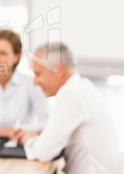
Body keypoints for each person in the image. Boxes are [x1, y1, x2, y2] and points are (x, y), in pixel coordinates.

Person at [17, 42, 121, 174]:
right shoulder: (82, 87)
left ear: (58, 69)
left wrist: (27, 139)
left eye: (38, 74)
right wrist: (35, 134)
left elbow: (44, 152)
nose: (34, 82)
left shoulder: (70, 94)